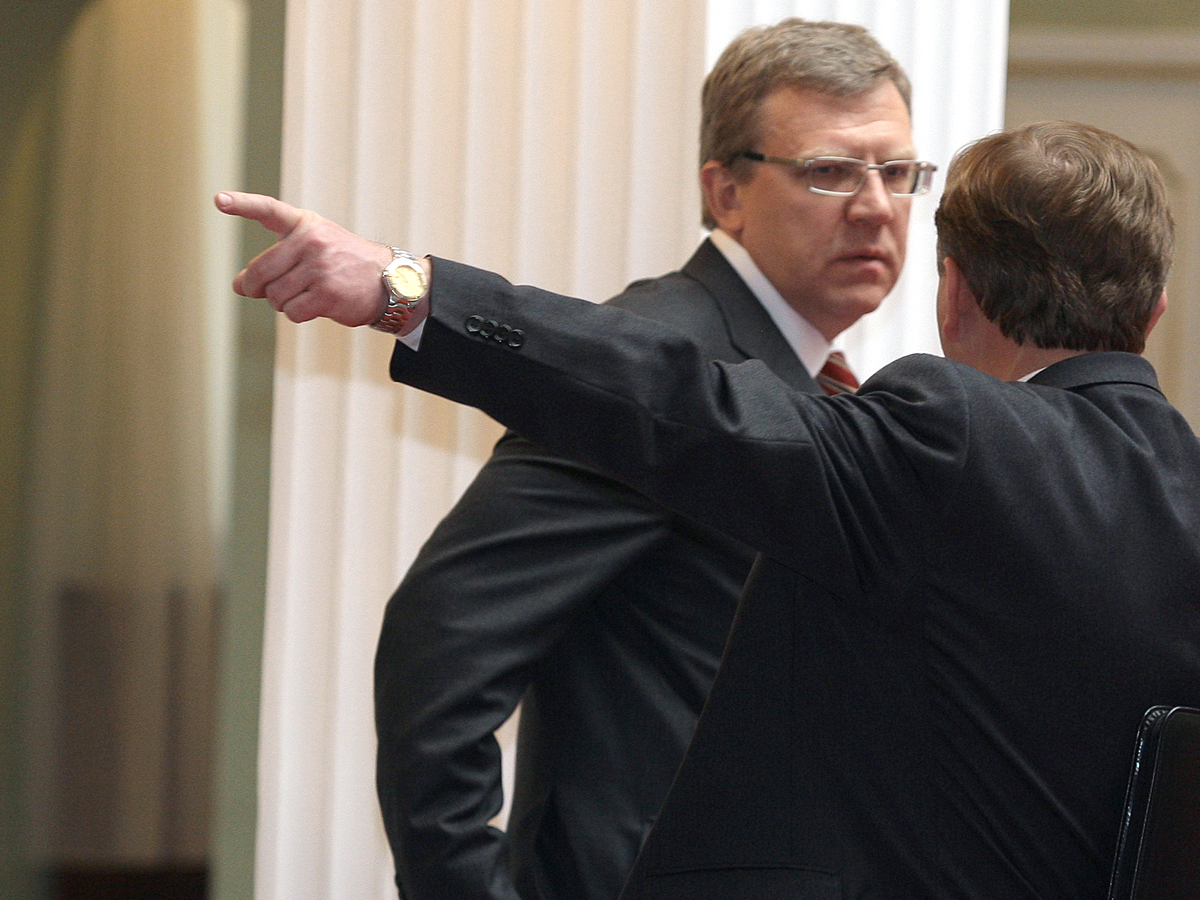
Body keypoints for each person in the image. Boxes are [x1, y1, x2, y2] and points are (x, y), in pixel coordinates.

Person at [220, 118, 1200, 899]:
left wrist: (407, 291)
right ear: (1154, 312)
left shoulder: (948, 442)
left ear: (956, 291)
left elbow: (678, 401)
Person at [243, 19, 922, 900]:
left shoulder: (810, 376)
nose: (876, 206)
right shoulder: (663, 356)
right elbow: (442, 639)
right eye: (830, 171)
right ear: (726, 191)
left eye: (898, 173)